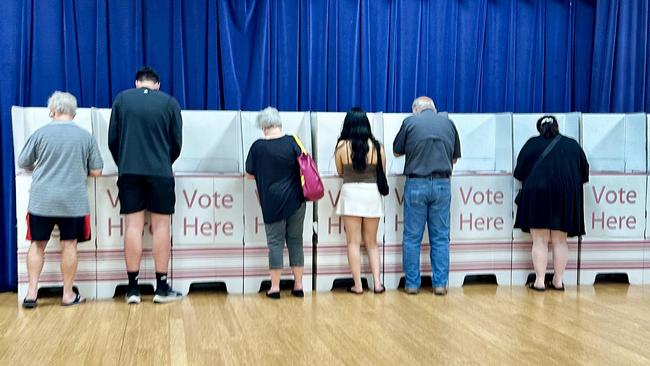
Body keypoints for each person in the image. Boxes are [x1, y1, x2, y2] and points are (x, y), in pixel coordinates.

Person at [18, 91, 103, 308]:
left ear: (52, 111)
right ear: (73, 113)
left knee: (37, 244)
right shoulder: (85, 137)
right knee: (69, 245)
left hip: (41, 200)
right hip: (73, 201)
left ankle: (31, 293)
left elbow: (23, 162)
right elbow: (96, 171)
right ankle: (67, 294)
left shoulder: (40, 134)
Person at [108, 66, 183, 304]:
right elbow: (177, 142)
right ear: (157, 85)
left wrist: (125, 162)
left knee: (133, 226)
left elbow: (113, 140)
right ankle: (161, 288)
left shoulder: (122, 99)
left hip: (129, 170)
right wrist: (163, 161)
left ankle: (132, 289)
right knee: (161, 227)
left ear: (137, 82)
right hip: (160, 171)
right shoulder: (169, 103)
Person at [393, 96, 461, 296]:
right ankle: (440, 284)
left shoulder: (410, 122)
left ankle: (412, 284)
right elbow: (454, 158)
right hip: (442, 184)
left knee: (412, 237)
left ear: (416, 110)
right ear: (433, 108)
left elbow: (397, 152)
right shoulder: (449, 124)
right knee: (440, 237)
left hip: (416, 183)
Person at [514, 115, 589, 291]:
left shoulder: (531, 144)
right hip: (564, 197)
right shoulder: (572, 145)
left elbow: (518, 173)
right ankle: (558, 281)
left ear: (540, 128)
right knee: (560, 241)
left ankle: (540, 281)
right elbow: (584, 174)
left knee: (539, 240)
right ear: (557, 127)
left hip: (538, 193)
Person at [245, 107, 306, 299]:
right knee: (296, 241)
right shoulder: (292, 142)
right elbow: (305, 166)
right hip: (297, 201)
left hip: (272, 201)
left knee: (275, 243)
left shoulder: (258, 147)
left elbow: (249, 174)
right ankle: (298, 286)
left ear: (264, 127)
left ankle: (275, 287)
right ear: (279, 124)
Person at [334, 107, 386, 294]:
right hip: (371, 193)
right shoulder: (378, 147)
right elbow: (382, 171)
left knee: (353, 242)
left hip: (350, 194)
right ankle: (378, 284)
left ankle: (357, 285)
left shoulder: (341, 147)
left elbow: (340, 172)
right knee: (371, 242)